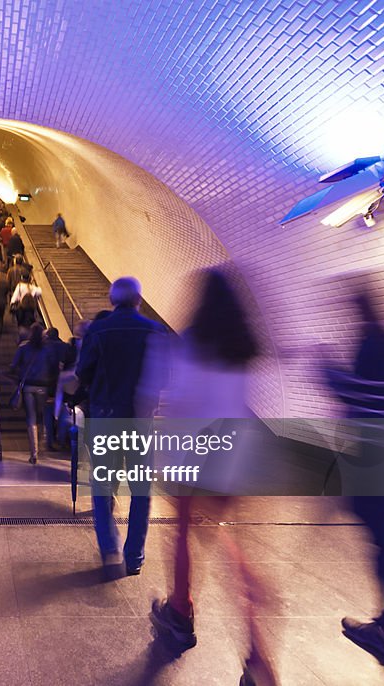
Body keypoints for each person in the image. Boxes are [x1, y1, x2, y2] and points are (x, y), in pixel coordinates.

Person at [146, 268, 275, 685]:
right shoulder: (244, 348)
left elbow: (179, 401)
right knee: (229, 543)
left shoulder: (190, 344)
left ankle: (181, 612)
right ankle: (258, 656)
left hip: (192, 452)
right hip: (232, 456)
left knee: (181, 534)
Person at [323, 290, 384, 671]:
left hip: (373, 453)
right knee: (383, 537)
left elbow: (372, 395)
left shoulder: (374, 342)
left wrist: (333, 376)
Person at [75, 277, 169, 575]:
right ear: (139, 300)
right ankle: (135, 556)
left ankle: (110, 549)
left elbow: (82, 372)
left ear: (111, 299)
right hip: (141, 420)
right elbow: (164, 377)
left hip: (105, 417)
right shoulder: (155, 330)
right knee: (141, 489)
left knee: (102, 485)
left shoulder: (99, 330)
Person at [10, 324, 57, 464]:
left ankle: (34, 452)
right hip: (43, 386)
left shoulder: (23, 347)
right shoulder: (48, 349)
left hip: (28, 386)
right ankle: (44, 445)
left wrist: (19, 374)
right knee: (41, 417)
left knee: (31, 418)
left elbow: (13, 366)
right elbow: (54, 368)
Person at [11, 273, 42, 344]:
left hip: (23, 305)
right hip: (31, 305)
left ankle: (21, 341)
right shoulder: (32, 287)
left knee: (21, 323)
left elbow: (14, 297)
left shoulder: (20, 286)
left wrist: (12, 303)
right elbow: (40, 291)